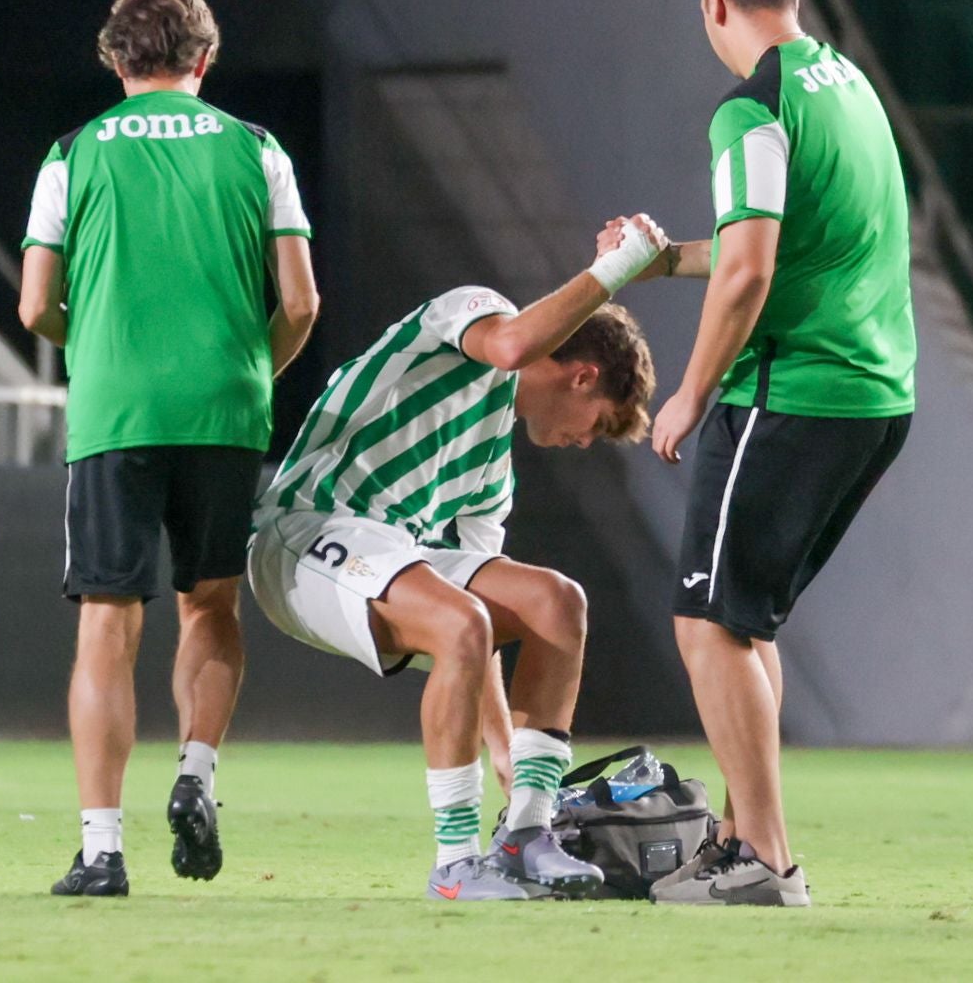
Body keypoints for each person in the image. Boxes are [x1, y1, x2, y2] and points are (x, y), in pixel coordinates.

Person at [246, 217, 665, 901]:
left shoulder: (490, 473)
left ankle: (526, 834)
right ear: (583, 377)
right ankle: (454, 863)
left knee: (557, 603)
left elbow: (480, 641)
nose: (586, 443)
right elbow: (510, 347)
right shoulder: (477, 312)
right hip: (303, 532)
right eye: (601, 424)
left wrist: (508, 753)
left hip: (390, 556)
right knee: (461, 619)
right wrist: (617, 268)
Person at [19, 0, 320, 898]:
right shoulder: (256, 148)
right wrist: (245, 376)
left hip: (116, 411)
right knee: (211, 608)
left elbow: (35, 304)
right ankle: (196, 773)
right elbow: (302, 301)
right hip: (225, 413)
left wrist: (103, 347)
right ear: (206, 59)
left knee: (108, 625)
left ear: (115, 60)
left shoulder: (72, 153)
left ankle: (103, 851)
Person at [639, 0, 916, 907]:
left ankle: (764, 859)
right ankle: (737, 838)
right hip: (875, 395)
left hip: (788, 392)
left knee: (705, 622)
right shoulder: (847, 86)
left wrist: (689, 391)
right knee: (745, 623)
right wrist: (666, 257)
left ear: (715, 1)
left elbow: (751, 265)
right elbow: (780, 242)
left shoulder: (751, 110)